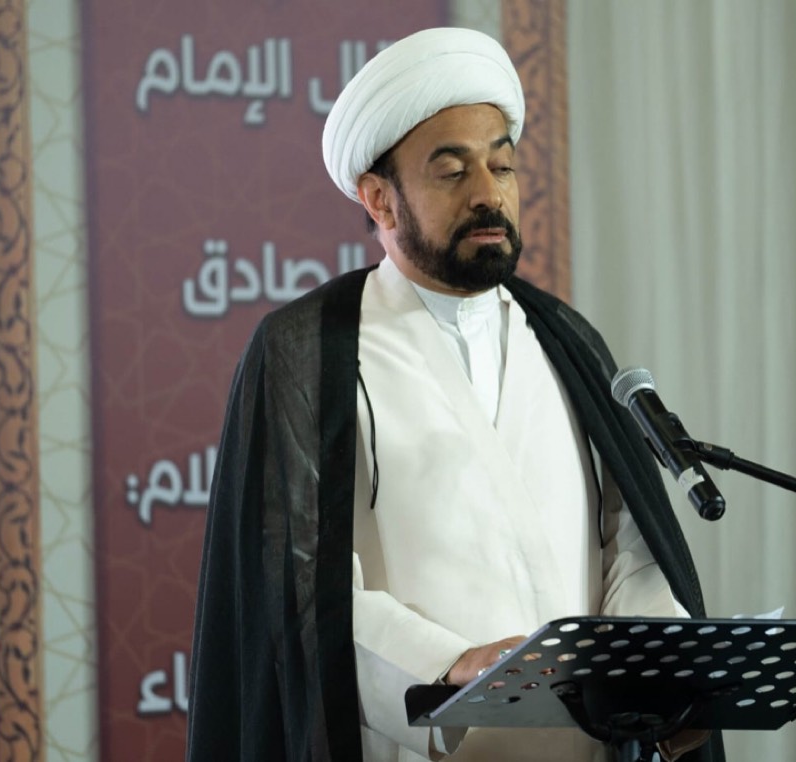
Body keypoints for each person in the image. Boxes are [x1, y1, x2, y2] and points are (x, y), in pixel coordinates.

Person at [186, 27, 724, 762]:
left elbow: (630, 547)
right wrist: (449, 666)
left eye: (502, 166)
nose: (488, 194)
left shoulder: (566, 339)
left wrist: (663, 670)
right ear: (380, 200)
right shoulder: (312, 351)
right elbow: (298, 588)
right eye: (451, 172)